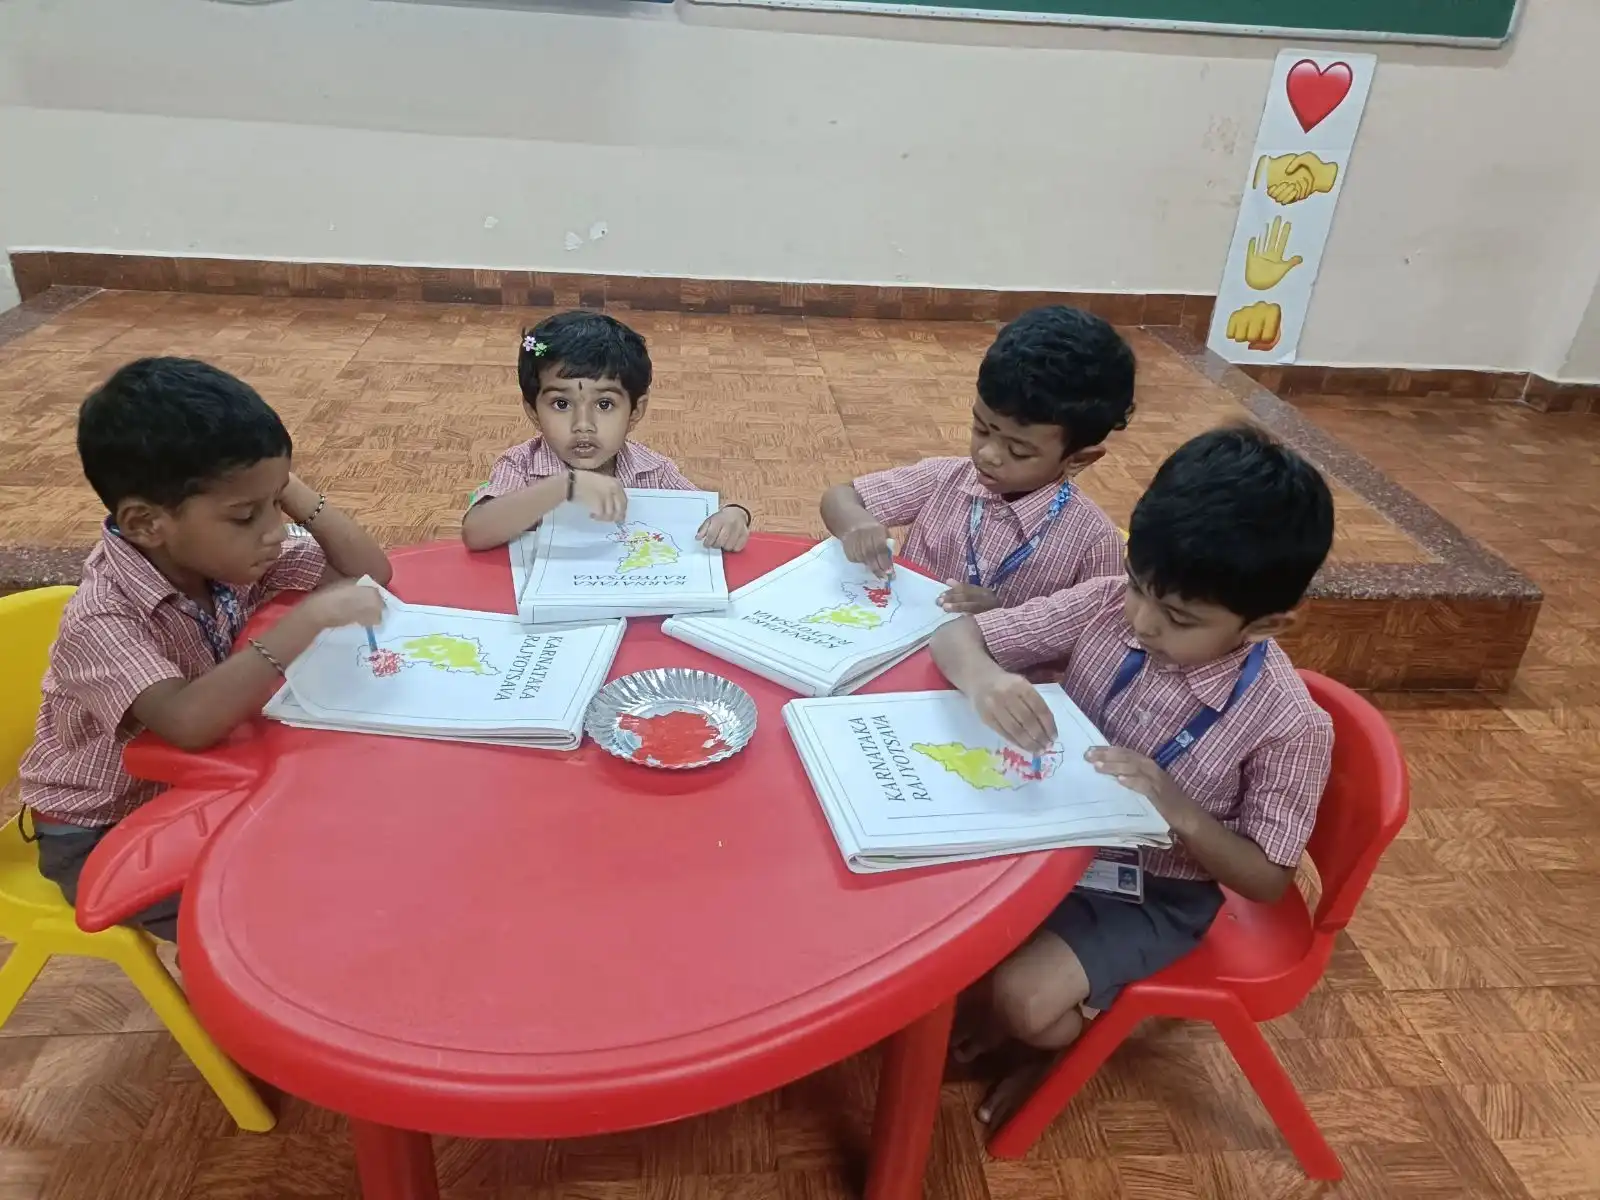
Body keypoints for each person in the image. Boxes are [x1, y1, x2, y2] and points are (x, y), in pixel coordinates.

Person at [928, 424, 1336, 1125]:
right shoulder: (1108, 602)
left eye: (1178, 617)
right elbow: (953, 637)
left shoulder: (1289, 723)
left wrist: (1174, 805)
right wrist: (986, 682)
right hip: (1055, 835)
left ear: (1266, 625)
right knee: (931, 921)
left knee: (1024, 1002)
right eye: (1141, 588)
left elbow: (1267, 879)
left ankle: (1070, 1048)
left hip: (1152, 892)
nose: (1143, 622)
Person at [19, 358, 393, 940]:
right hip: (102, 832)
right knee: (261, 915)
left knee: (346, 848)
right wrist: (308, 619)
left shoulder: (221, 555)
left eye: (278, 504)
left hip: (205, 785)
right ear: (146, 523)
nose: (273, 529)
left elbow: (370, 574)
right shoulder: (101, 617)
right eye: (246, 514)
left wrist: (286, 491)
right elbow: (187, 722)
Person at [819, 306, 1134, 615]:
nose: (987, 454)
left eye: (1018, 450)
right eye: (982, 429)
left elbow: (1094, 633)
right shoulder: (945, 479)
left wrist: (1004, 615)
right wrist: (856, 524)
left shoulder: (1093, 543)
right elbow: (841, 497)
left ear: (1079, 459)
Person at [462, 311, 752, 552]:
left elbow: (701, 512)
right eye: (561, 404)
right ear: (533, 411)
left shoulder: (652, 471)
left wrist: (735, 514)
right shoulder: (521, 465)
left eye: (604, 404)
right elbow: (475, 533)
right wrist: (563, 487)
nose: (583, 424)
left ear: (635, 412)